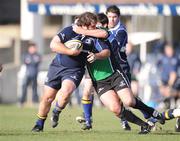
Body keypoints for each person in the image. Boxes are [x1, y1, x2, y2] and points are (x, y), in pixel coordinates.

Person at [31, 12, 110, 132]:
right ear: (84, 25)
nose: (95, 28)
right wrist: (70, 52)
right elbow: (53, 45)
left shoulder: (95, 35)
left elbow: (106, 50)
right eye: (93, 26)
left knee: (65, 93)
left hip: (75, 70)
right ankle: (39, 124)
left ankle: (56, 111)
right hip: (57, 67)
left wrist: (96, 55)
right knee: (47, 98)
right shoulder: (69, 30)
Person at [19, 42, 41, 106]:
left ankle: (35, 102)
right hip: (27, 74)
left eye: (34, 48)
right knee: (24, 87)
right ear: (29, 48)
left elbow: (35, 62)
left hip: (35, 74)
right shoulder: (26, 55)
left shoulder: (37, 55)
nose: (33, 49)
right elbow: (25, 61)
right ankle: (21, 102)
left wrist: (30, 62)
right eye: (32, 48)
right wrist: (31, 62)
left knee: (34, 88)